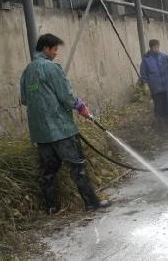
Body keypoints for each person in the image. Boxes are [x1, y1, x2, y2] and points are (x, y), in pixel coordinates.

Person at [20, 33, 109, 214]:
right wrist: (80, 106)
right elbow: (66, 96)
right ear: (46, 48)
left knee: (48, 172)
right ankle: (92, 203)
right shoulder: (51, 68)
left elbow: (24, 99)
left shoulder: (27, 71)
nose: (56, 53)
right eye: (54, 50)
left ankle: (52, 207)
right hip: (61, 129)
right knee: (78, 167)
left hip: (41, 133)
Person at [140, 39, 168, 122]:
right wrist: (145, 84)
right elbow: (143, 73)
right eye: (155, 47)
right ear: (151, 48)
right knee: (158, 105)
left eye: (158, 47)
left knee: (166, 104)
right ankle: (159, 123)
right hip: (155, 87)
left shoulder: (163, 56)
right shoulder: (146, 59)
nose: (157, 49)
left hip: (165, 86)